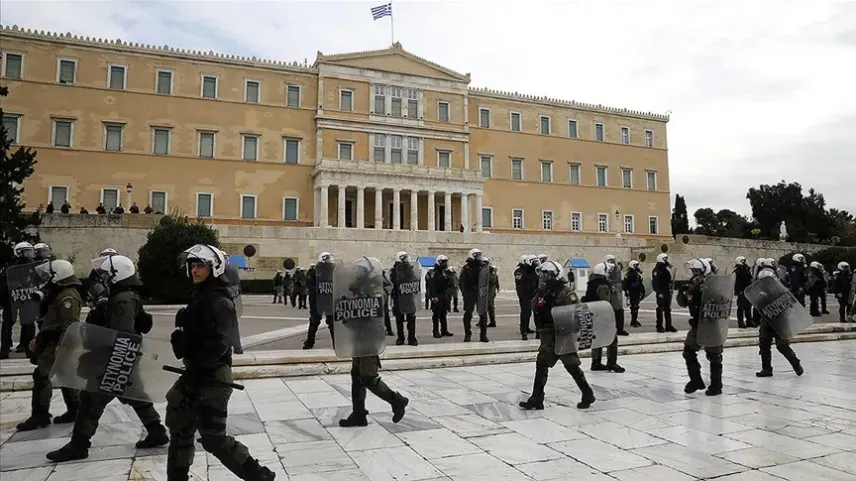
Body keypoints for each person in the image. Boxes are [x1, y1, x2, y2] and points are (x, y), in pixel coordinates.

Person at [165, 245, 275, 481]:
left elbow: (220, 344)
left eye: (200, 266)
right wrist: (182, 339)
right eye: (192, 266)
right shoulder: (201, 296)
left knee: (214, 438)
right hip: (196, 373)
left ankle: (259, 476)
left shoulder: (219, 301)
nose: (194, 271)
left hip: (213, 377)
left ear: (213, 268)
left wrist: (198, 365)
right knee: (180, 428)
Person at [47, 255, 169, 462]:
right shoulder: (122, 295)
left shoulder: (123, 299)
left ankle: (79, 444)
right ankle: (156, 431)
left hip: (118, 357)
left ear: (117, 274)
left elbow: (122, 333)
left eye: (106, 274)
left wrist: (111, 360)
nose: (102, 278)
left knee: (91, 400)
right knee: (134, 394)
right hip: (123, 357)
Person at [338, 257, 410, 429]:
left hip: (369, 337)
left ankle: (397, 400)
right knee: (356, 375)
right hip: (358, 336)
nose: (357, 273)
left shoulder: (377, 289)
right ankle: (359, 413)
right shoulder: (359, 287)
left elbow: (372, 310)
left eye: (361, 271)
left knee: (368, 377)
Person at [518, 260, 596, 410]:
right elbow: (534, 307)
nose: (544, 277)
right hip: (548, 336)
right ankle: (537, 398)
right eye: (542, 275)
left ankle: (587, 393)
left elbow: (578, 313)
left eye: (546, 275)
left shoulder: (566, 293)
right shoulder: (543, 291)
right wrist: (539, 294)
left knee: (571, 366)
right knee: (541, 364)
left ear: (555, 275)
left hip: (563, 336)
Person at [16, 260, 81, 431]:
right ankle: (75, 410)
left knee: (42, 376)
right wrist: (39, 338)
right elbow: (51, 321)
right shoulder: (58, 293)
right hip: (53, 339)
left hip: (58, 341)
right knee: (64, 375)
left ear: (58, 275)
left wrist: (61, 346)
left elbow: (70, 323)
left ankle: (40, 415)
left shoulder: (67, 296)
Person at [680, 258, 723, 397]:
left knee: (714, 355)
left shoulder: (714, 283)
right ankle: (696, 381)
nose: (695, 273)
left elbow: (720, 299)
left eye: (697, 271)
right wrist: (684, 291)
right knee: (688, 351)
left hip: (712, 324)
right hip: (697, 323)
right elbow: (684, 303)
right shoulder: (694, 284)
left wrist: (700, 289)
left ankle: (716, 385)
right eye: (693, 271)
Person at [754, 268, 804, 378]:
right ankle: (766, 369)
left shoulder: (782, 292)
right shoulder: (761, 294)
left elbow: (791, 308)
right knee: (764, 345)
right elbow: (757, 309)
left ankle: (796, 364)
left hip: (781, 323)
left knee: (782, 346)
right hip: (767, 322)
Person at [0, 242, 38, 359]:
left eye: (30, 251)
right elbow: (3, 283)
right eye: (26, 252)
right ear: (18, 252)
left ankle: (28, 348)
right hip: (11, 299)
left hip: (26, 298)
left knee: (28, 324)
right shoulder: (10, 266)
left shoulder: (34, 266)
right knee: (7, 324)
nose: (29, 254)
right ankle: (5, 349)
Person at [586, 263, 625, 373]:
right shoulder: (603, 285)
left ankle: (596, 362)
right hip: (603, 316)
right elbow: (605, 302)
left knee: (597, 339)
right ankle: (612, 363)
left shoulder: (592, 283)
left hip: (595, 315)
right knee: (612, 339)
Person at [303, 253, 335, 350]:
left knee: (316, 322)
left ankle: (309, 343)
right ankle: (336, 344)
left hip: (321, 300)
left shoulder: (315, 272)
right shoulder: (331, 272)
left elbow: (311, 288)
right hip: (325, 300)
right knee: (326, 322)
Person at [459, 248, 489, 343]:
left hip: (480, 293)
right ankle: (467, 334)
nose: (480, 257)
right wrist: (465, 295)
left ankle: (483, 335)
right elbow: (462, 282)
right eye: (477, 255)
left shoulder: (483, 267)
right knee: (468, 314)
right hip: (470, 293)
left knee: (483, 314)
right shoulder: (466, 268)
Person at [390, 252, 419, 346]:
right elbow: (393, 282)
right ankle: (400, 337)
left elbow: (415, 279)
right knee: (399, 319)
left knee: (411, 317)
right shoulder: (394, 271)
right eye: (405, 258)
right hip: (398, 297)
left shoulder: (410, 269)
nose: (407, 260)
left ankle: (412, 337)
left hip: (408, 296)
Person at [428, 255, 454, 338]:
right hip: (437, 295)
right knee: (436, 314)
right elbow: (432, 285)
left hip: (444, 294)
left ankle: (444, 330)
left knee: (444, 313)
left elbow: (449, 284)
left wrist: (450, 276)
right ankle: (435, 331)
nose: (445, 263)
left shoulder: (445, 271)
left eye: (445, 262)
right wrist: (433, 296)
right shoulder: (434, 272)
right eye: (443, 262)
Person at [651, 253, 677, 333]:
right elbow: (655, 283)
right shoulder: (657, 270)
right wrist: (659, 292)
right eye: (665, 259)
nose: (667, 261)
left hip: (666, 291)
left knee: (667, 309)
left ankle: (668, 326)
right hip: (661, 292)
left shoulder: (665, 269)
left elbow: (669, 278)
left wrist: (671, 284)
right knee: (660, 308)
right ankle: (659, 326)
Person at [514, 255, 538, 340]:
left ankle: (537, 331)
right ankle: (524, 331)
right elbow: (519, 285)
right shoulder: (520, 271)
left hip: (534, 295)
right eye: (534, 261)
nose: (536, 263)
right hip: (525, 295)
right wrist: (522, 296)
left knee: (536, 313)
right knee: (526, 313)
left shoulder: (536, 271)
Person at [733, 256, 754, 328]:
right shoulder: (737, 272)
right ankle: (741, 322)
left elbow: (750, 279)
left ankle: (749, 321)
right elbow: (736, 283)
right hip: (741, 291)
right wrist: (738, 291)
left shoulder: (747, 270)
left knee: (748, 306)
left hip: (747, 290)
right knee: (741, 307)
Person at [622, 260, 644, 328]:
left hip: (637, 292)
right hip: (632, 292)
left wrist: (642, 291)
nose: (637, 267)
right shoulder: (629, 274)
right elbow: (625, 283)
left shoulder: (637, 274)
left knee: (636, 306)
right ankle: (633, 321)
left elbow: (640, 283)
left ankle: (634, 320)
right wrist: (626, 291)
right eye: (636, 265)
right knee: (634, 306)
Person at [486, 257, 499, 328]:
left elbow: (493, 280)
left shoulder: (491, 271)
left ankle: (492, 321)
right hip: (486, 290)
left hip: (490, 290)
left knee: (489, 305)